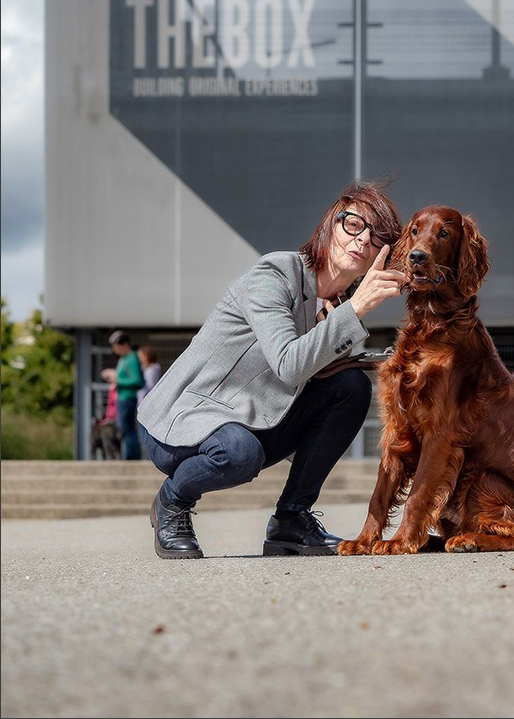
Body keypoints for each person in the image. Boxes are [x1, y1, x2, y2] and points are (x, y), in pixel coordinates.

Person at [137, 181, 406, 560]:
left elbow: (310, 374)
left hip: (255, 417)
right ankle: (172, 501)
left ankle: (292, 520)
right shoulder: (274, 275)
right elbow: (289, 364)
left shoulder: (337, 304)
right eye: (354, 225)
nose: (363, 241)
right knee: (239, 452)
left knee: (351, 386)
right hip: (181, 421)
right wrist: (356, 309)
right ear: (331, 224)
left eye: (377, 238)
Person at [102, 331, 145, 460]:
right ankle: (130, 456)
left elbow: (138, 381)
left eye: (116, 346)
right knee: (125, 430)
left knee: (128, 430)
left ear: (124, 344)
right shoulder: (124, 359)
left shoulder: (131, 358)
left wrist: (117, 380)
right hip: (121, 398)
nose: (115, 350)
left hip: (127, 399)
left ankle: (132, 457)